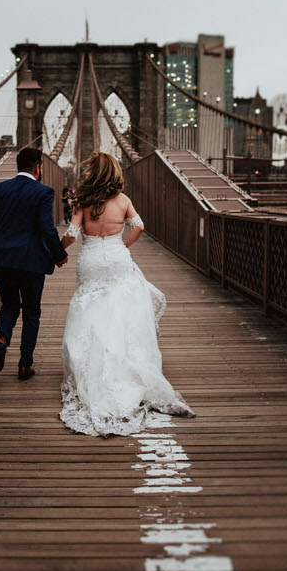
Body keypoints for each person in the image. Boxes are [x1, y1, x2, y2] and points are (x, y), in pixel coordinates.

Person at [58, 151, 194, 436]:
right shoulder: (123, 201)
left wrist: (56, 252)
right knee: (120, 311)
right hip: (117, 256)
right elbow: (139, 226)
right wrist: (124, 246)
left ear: (92, 173)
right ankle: (123, 363)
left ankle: (94, 367)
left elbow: (71, 234)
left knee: (90, 312)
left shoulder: (84, 201)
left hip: (92, 257)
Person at [0, 148, 68, 381]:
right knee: (31, 311)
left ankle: (2, 339)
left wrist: (0, 239)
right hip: (31, 260)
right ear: (38, 168)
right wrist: (58, 255)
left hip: (3, 258)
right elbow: (47, 228)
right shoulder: (44, 192)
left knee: (9, 305)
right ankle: (25, 364)